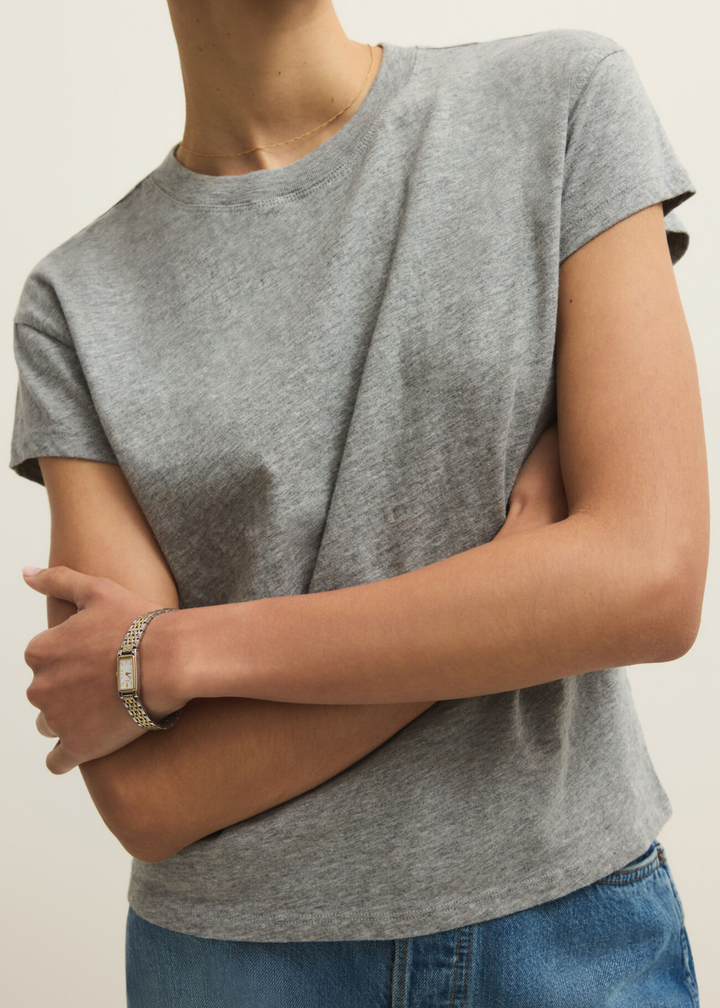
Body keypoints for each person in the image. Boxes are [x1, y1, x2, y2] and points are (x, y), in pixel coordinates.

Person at [10, 1, 708, 1005]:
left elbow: (648, 583)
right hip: (233, 963)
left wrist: (178, 651)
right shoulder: (76, 302)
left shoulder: (561, 103)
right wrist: (515, 588)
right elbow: (148, 794)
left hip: (566, 932)